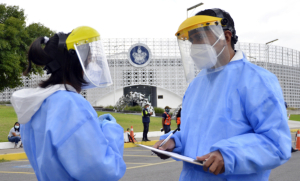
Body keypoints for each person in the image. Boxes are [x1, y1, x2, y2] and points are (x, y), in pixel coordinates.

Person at [154, 8, 291, 180]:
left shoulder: (257, 80)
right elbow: (196, 133)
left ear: (226, 37)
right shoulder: (197, 84)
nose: (194, 47)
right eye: (192, 40)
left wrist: (228, 155)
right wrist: (173, 142)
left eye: (200, 37)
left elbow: (276, 144)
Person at [11, 26, 126, 181]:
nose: (93, 66)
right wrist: (110, 130)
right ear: (76, 63)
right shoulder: (71, 104)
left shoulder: (37, 104)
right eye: (89, 60)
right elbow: (104, 171)